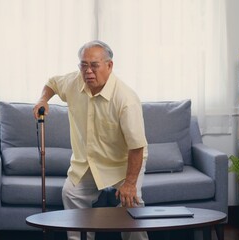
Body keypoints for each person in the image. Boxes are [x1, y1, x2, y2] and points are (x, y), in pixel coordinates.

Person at [33, 40, 149, 240]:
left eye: (94, 65)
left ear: (109, 66)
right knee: (71, 193)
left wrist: (130, 183)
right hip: (88, 162)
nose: (88, 71)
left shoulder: (126, 99)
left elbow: (136, 147)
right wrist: (43, 99)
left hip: (122, 163)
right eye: (83, 65)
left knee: (131, 205)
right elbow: (52, 83)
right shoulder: (74, 82)